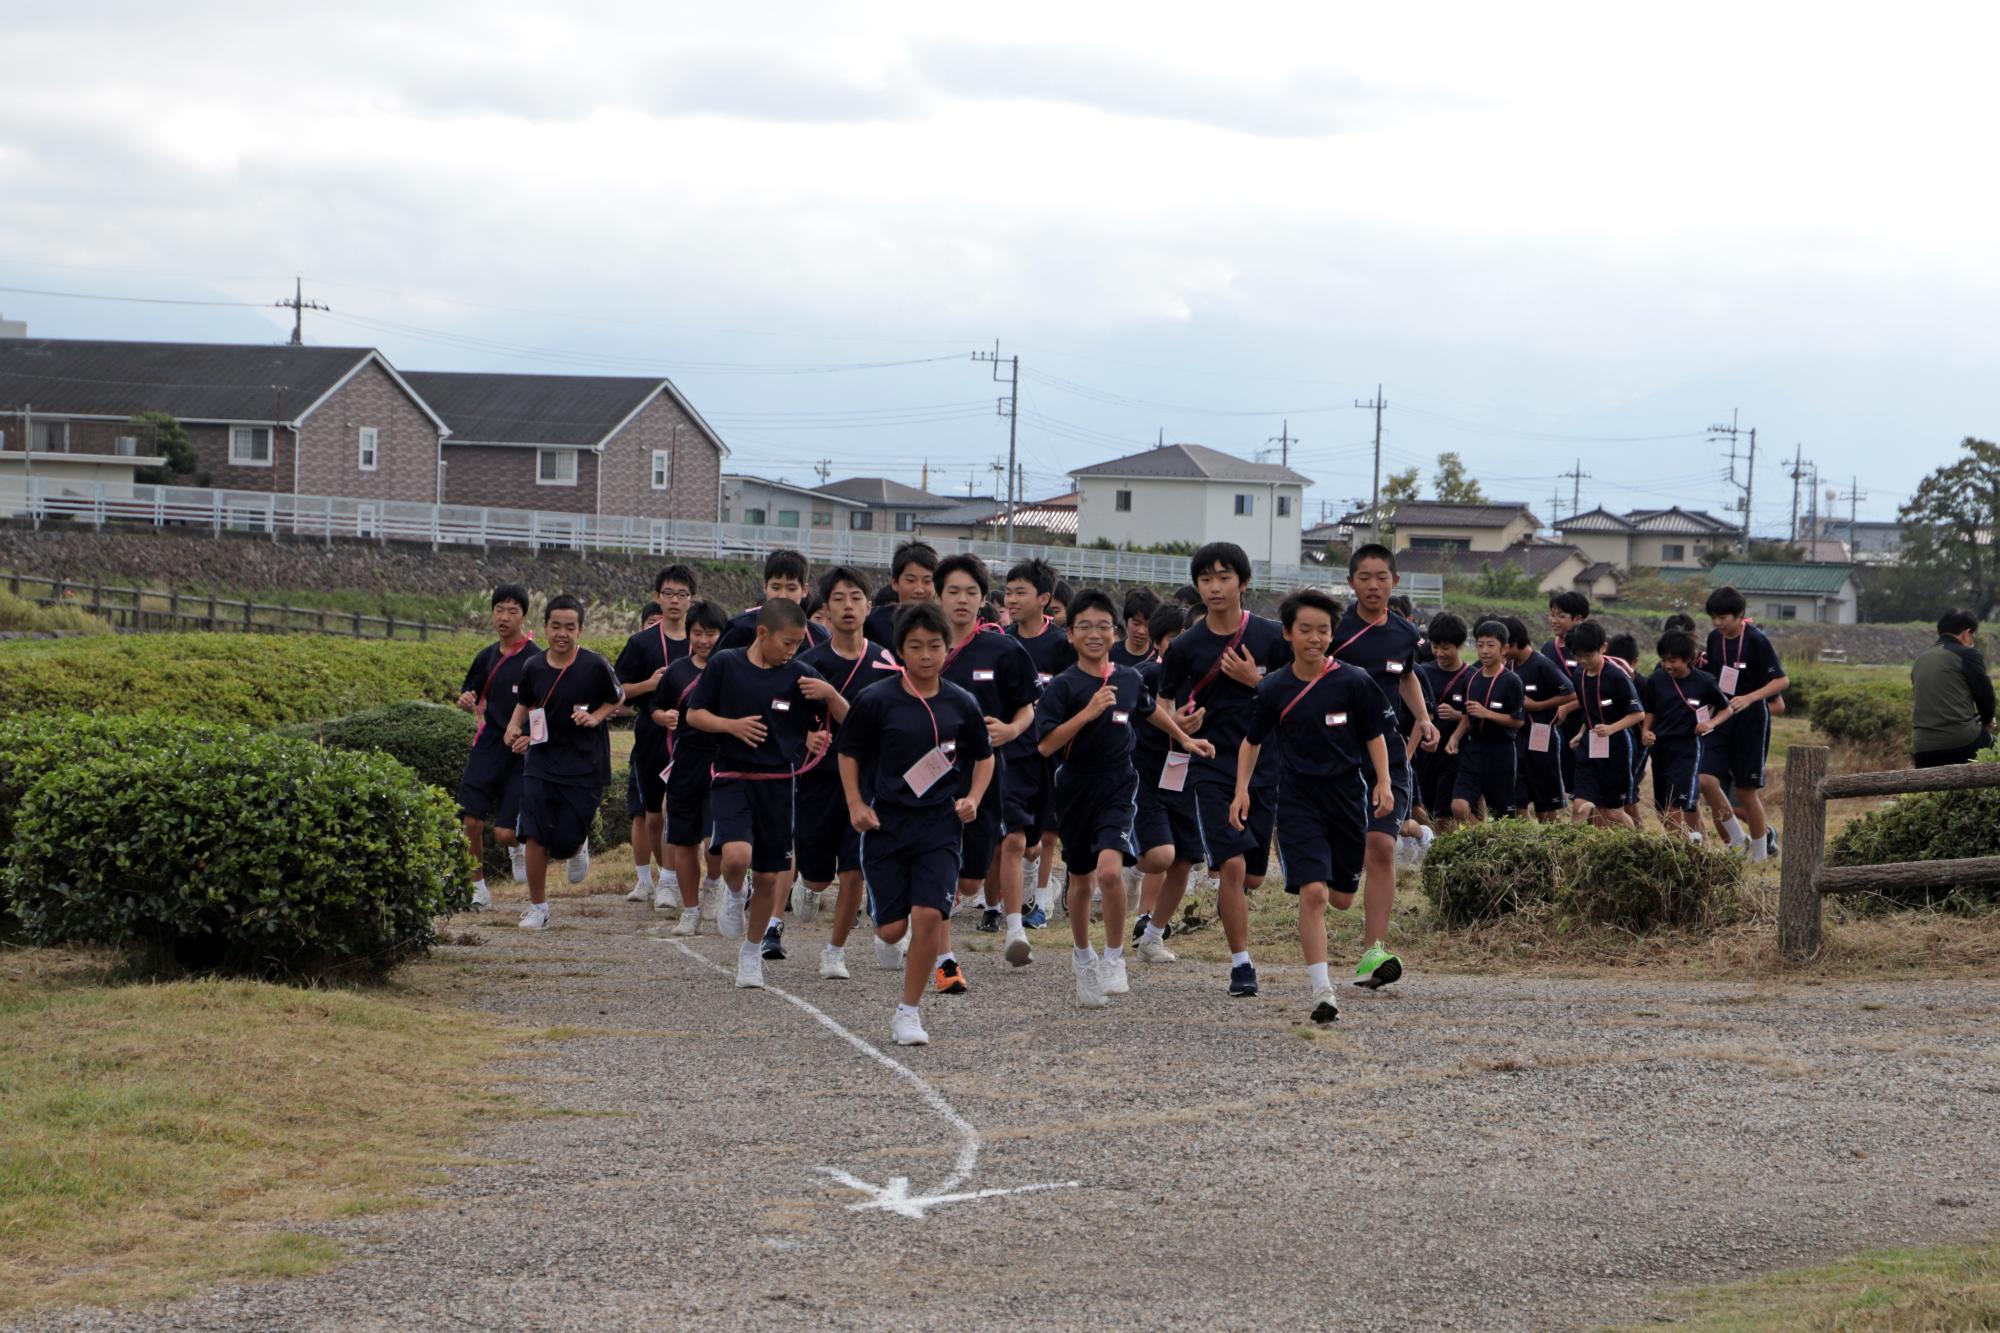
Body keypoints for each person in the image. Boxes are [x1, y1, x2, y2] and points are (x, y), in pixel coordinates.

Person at [1036, 590, 1212, 1007]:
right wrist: (1087, 712)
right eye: (1085, 627)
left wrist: (1186, 738)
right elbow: (1045, 745)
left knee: (1111, 872)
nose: (1094, 634)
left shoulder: (1130, 678)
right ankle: (1083, 958)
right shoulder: (1064, 686)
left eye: (1102, 626)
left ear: (1115, 633)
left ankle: (1114, 957)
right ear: (1070, 635)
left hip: (1120, 784)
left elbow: (1151, 710)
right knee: (1080, 881)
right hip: (1076, 787)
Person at [838, 602, 996, 1047]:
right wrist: (855, 803)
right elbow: (848, 752)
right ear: (900, 650)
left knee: (929, 915)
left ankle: (909, 1012)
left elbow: (984, 758)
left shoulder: (961, 702)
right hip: (887, 825)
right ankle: (885, 920)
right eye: (915, 646)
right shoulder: (876, 700)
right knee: (892, 930)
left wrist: (973, 799)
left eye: (935, 646)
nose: (926, 655)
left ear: (949, 648)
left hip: (939, 827)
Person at [1235, 589, 1393, 1024]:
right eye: (1305, 629)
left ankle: (1333, 970)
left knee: (1342, 898)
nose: (1314, 638)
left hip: (1347, 798)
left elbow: (1374, 736)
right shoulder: (1273, 688)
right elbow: (1251, 743)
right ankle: (1323, 991)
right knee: (1315, 893)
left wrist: (1383, 781)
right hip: (1298, 801)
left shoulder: (1354, 681)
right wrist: (1241, 790)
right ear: (1288, 633)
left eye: (1322, 630)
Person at [1158, 542, 1292, 998]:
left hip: (1264, 764)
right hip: (1211, 764)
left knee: (1253, 874)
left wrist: (1256, 682)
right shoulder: (1186, 645)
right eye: (1206, 579)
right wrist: (1180, 726)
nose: (1214, 587)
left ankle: (1225, 918)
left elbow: (1302, 690)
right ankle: (1241, 964)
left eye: (1223, 577)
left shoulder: (1274, 636)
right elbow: (1162, 702)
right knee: (1231, 867)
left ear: (1244, 582)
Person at [684, 599, 827, 987]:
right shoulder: (725, 664)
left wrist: (817, 732)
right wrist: (731, 726)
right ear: (762, 633)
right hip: (732, 776)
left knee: (768, 877)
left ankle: (751, 955)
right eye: (787, 642)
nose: (793, 651)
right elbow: (694, 714)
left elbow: (824, 721)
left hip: (779, 785)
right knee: (736, 855)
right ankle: (733, 891)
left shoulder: (801, 676)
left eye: (799, 643)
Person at [1335, 545, 1441, 990]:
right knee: (1340, 889)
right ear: (1352, 582)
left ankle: (1373, 953)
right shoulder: (1335, 629)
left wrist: (1422, 716)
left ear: (1395, 582)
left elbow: (1406, 675)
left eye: (1382, 576)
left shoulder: (1405, 633)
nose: (1373, 585)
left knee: (1381, 846)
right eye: (1364, 577)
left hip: (1389, 756)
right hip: (1337, 752)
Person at [929, 553, 1039, 977]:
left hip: (987, 770)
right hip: (930, 772)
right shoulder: (921, 644)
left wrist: (1012, 731)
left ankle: (1002, 922)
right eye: (953, 591)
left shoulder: (1003, 650)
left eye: (971, 592)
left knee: (973, 878)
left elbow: (1026, 708)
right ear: (938, 596)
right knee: (935, 854)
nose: (961, 600)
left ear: (982, 598)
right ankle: (943, 957)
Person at [794, 567, 898, 979]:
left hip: (867, 782)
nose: (848, 606)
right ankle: (806, 882)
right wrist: (805, 737)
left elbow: (874, 731)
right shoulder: (807, 663)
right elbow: (785, 719)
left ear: (869, 606)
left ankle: (835, 950)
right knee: (819, 878)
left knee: (854, 868)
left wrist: (834, 698)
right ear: (825, 608)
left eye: (856, 597)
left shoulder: (887, 663)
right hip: (818, 780)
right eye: (839, 598)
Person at [504, 596, 623, 930]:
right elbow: (525, 703)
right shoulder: (533, 667)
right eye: (555, 626)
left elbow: (617, 698)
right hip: (541, 760)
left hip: (585, 765)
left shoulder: (595, 665)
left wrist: (596, 717)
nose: (562, 633)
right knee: (533, 833)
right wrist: (515, 727)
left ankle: (578, 844)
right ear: (544, 627)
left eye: (570, 627)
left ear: (580, 629)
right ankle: (538, 908)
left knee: (564, 842)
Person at [455, 584, 544, 911]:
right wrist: (465, 700)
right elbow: (471, 694)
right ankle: (477, 887)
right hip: (489, 743)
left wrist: (532, 738)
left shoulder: (536, 658)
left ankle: (516, 847)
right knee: (471, 822)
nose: (504, 617)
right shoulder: (486, 656)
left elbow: (544, 707)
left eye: (512, 611)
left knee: (505, 834)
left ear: (524, 615)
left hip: (522, 748)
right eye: (499, 610)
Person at [616, 565, 697, 909]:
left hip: (691, 737)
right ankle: (654, 878)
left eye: (681, 594)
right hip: (651, 735)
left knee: (679, 809)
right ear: (656, 597)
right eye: (668, 594)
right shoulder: (641, 642)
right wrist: (651, 685)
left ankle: (668, 881)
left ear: (692, 599)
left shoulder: (703, 640)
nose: (675, 601)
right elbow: (617, 691)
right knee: (652, 814)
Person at [1003, 558, 1077, 924]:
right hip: (1013, 750)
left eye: (1021, 592)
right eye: (1008, 591)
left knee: (1049, 831)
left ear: (1044, 598)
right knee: (1019, 836)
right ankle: (1021, 886)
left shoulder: (1061, 644)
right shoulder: (1001, 642)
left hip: (1053, 749)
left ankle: (1043, 898)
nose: (1011, 599)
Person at [1130, 603, 1203, 962]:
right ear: (1158, 642)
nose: (1182, 646)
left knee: (1184, 861)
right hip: (1145, 775)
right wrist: (1172, 725)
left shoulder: (1205, 677)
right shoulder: (1142, 676)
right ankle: (1130, 857)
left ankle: (1153, 936)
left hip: (1187, 776)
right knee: (1160, 856)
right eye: (1174, 639)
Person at [1701, 587, 1790, 860]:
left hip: (1751, 719)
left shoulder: (1756, 640)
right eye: (1713, 617)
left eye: (1723, 617)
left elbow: (1781, 681)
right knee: (1705, 780)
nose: (1718, 623)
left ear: (1740, 615)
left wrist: (1750, 698)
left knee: (1745, 790)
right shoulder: (1714, 639)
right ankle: (1738, 842)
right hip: (1721, 717)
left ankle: (1761, 854)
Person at [656, 600, 728, 936]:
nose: (703, 640)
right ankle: (690, 910)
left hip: (720, 761)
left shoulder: (730, 668)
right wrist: (663, 717)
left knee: (713, 839)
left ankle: (714, 885)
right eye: (697, 633)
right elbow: (655, 708)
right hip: (685, 762)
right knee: (683, 842)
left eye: (710, 633)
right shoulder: (677, 671)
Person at [1639, 631, 1728, 838]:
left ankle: (1684, 856)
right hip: (1660, 749)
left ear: (1688, 659)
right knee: (1662, 811)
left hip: (1686, 749)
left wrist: (1710, 723)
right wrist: (1645, 730)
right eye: (1663, 660)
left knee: (1675, 808)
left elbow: (1727, 708)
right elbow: (1650, 710)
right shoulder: (1657, 679)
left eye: (1673, 660)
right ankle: (1698, 847)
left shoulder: (1704, 681)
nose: (1668, 665)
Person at [1564, 620, 1643, 828]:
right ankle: (1574, 857)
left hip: (1617, 746)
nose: (1583, 661)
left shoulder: (1616, 676)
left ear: (1603, 648)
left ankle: (1638, 847)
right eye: (1578, 656)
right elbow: (1588, 710)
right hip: (1590, 745)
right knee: (1580, 806)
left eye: (1588, 655)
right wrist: (1582, 733)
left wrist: (1611, 728)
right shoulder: (1579, 675)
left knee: (1612, 812)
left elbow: (1637, 714)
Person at [1445, 619, 1524, 823]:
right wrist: (1454, 737)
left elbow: (1518, 721)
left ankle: (1496, 847)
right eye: (1480, 645)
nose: (1484, 651)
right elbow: (1467, 715)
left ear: (1504, 649)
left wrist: (1487, 713)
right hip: (1474, 750)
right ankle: (1480, 839)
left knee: (1503, 818)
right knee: (1459, 806)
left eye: (1491, 645)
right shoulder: (1471, 678)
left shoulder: (1511, 681)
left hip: (1502, 752)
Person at [1501, 615, 1575, 824]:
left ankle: (1552, 847)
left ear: (1512, 643)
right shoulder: (1509, 666)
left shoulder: (1542, 664)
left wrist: (1537, 706)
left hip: (1542, 737)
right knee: (1518, 799)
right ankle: (1525, 845)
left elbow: (1570, 693)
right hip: (1517, 738)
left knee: (1545, 804)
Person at [1912, 609, 1995, 767]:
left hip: (1922, 748)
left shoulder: (1920, 660)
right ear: (1967, 633)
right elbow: (1985, 696)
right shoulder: (1967, 654)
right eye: (1973, 635)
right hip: (1960, 742)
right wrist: (1987, 720)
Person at [1414, 613, 1471, 825]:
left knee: (1444, 813)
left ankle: (1443, 854)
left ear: (1460, 645)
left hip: (1453, 751)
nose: (1439, 653)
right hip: (1424, 751)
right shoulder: (1421, 673)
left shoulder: (1471, 676)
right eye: (1435, 646)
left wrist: (1458, 716)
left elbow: (1477, 716)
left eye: (1446, 648)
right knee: (1422, 808)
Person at [717, 550, 830, 652]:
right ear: (765, 587)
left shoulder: (818, 637)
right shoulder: (740, 627)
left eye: (791, 588)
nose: (782, 595)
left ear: (804, 590)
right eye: (776, 587)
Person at [864, 541, 938, 648]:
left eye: (927, 581)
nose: (919, 589)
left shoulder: (945, 624)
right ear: (895, 583)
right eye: (911, 580)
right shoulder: (872, 621)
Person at [1112, 587, 1162, 666]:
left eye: (1148, 625)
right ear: (1126, 621)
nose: (1141, 631)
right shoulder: (1109, 653)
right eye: (1136, 624)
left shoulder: (1159, 657)